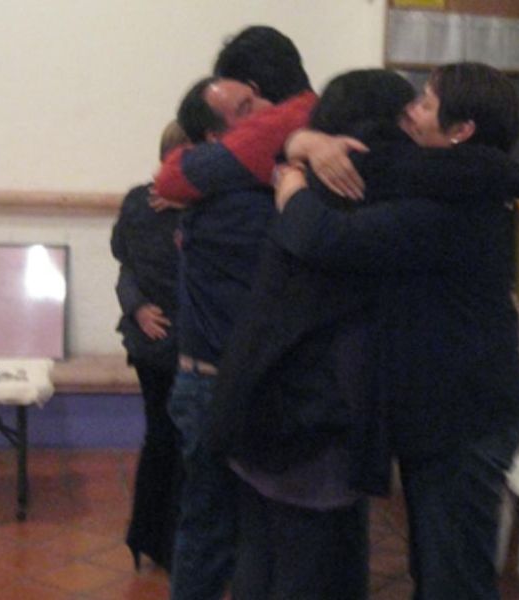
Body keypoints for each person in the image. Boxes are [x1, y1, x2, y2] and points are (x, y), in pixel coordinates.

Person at [236, 62, 519, 599]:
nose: (411, 115)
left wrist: (294, 183)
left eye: (424, 103)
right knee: (439, 565)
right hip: (444, 416)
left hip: (465, 420)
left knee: (454, 579)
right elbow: (378, 168)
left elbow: (325, 238)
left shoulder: (455, 207)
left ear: (461, 130)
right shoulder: (443, 180)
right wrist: (305, 141)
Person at [204, 69, 418, 600]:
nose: (417, 119)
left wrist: (295, 151)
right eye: (411, 110)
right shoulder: (372, 187)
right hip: (310, 410)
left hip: (259, 390)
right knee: (306, 566)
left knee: (261, 552)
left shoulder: (304, 180)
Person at [158, 26, 317, 600]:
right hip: (216, 385)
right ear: (215, 138)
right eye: (245, 111)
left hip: (235, 381)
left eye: (256, 104)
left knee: (231, 530)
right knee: (214, 531)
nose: (264, 120)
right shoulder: (238, 201)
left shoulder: (228, 188)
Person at [110, 120, 188, 571]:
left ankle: (147, 537)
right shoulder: (207, 207)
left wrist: (138, 306)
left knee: (160, 435)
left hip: (149, 342)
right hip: (186, 344)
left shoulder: (138, 201)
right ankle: (175, 544)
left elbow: (123, 258)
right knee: (182, 441)